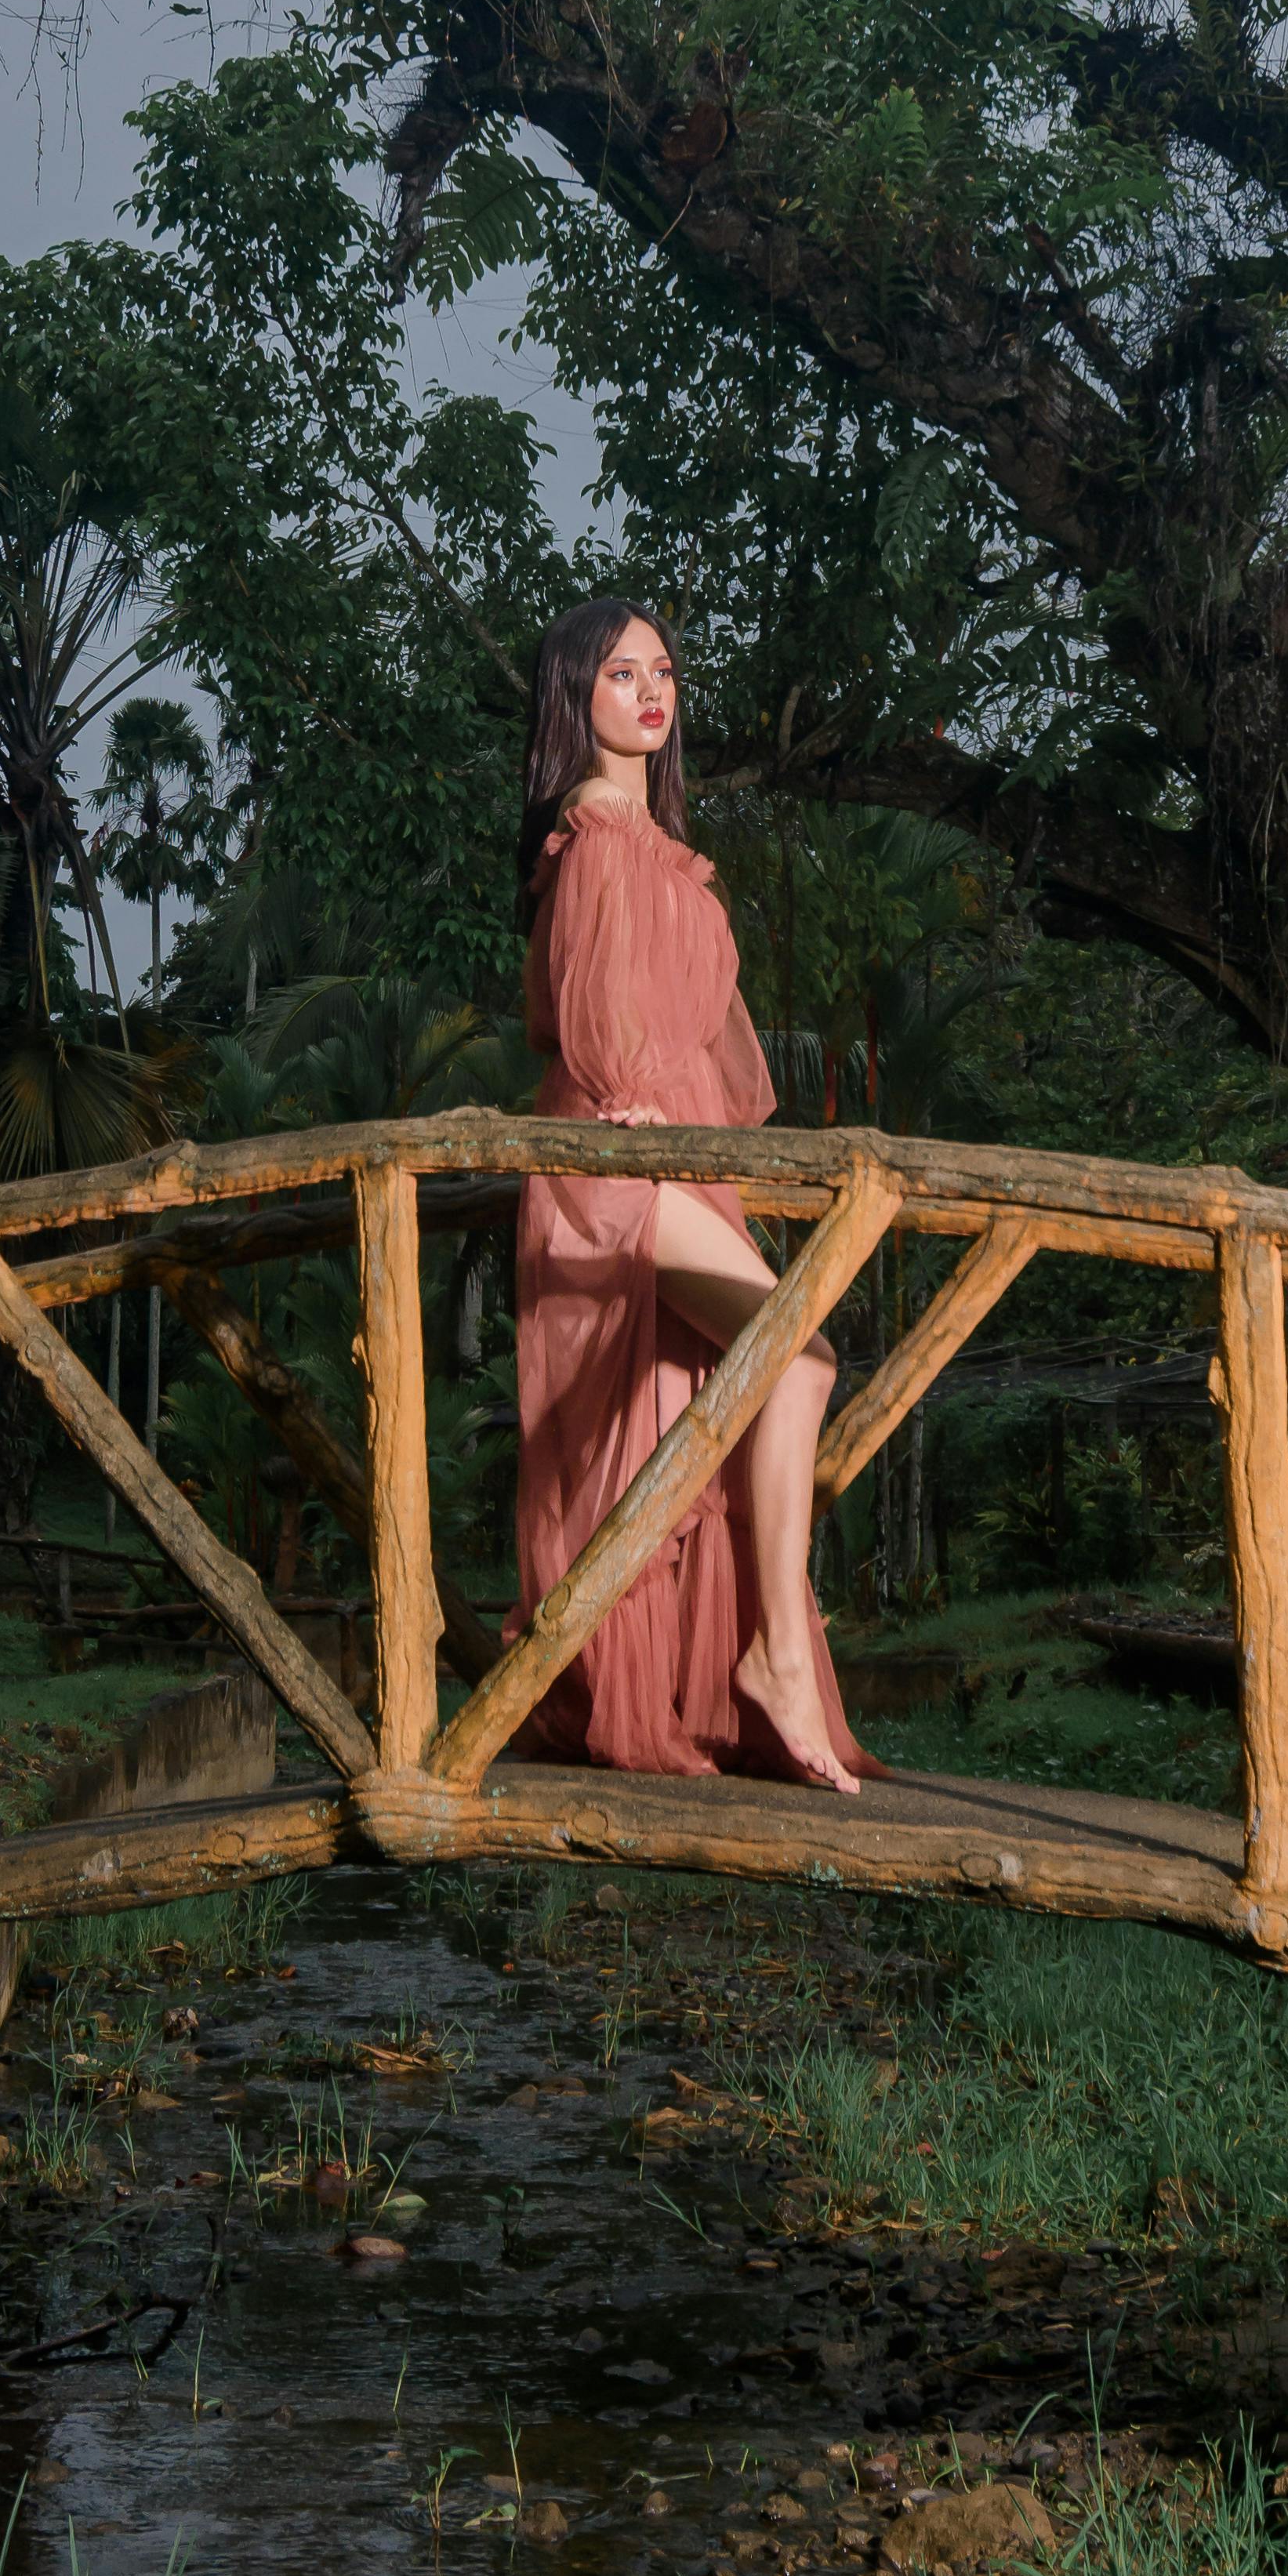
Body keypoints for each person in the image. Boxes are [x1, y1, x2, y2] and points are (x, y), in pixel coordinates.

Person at [503, 594, 873, 1794]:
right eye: (621, 673)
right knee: (798, 1356)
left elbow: (706, 1043)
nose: (652, 692)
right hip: (609, 1164)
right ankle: (777, 1661)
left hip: (670, 1157)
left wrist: (680, 1126)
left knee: (720, 1401)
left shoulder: (653, 840)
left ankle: (760, 1664)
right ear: (576, 695)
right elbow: (591, 1021)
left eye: (662, 671)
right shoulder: (597, 837)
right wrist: (632, 1099)